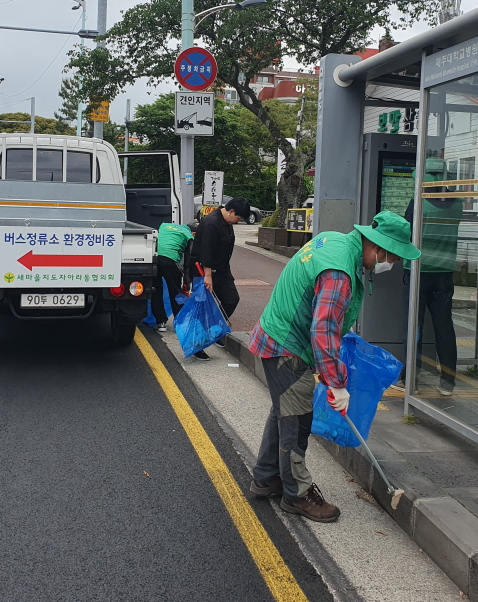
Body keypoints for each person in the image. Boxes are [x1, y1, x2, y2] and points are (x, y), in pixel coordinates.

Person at [248, 211, 421, 522]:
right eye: (392, 257)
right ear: (378, 247)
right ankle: (297, 494)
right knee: (298, 421)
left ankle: (266, 477)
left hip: (277, 336)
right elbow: (323, 328)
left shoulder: (336, 241)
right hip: (287, 346)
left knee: (284, 412)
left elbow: (326, 319)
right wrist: (336, 382)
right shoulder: (339, 272)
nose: (391, 264)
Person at [403, 158, 464, 396]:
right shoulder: (457, 203)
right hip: (445, 273)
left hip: (418, 271)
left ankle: (411, 379)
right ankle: (448, 380)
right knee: (444, 326)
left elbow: (406, 233)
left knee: (414, 326)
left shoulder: (418, 202)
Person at [190, 197, 249, 360]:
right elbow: (206, 252)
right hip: (203, 271)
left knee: (231, 299)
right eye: (238, 218)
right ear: (231, 211)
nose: (237, 222)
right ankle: (197, 345)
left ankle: (214, 330)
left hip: (222, 270)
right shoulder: (211, 223)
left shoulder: (226, 222)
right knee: (202, 308)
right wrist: (207, 276)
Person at [150, 222, 194, 332]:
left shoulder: (164, 226)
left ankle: (161, 322)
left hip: (154, 259)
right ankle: (180, 323)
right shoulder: (189, 235)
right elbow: (189, 260)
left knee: (156, 290)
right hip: (170, 261)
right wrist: (187, 279)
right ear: (194, 233)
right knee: (175, 292)